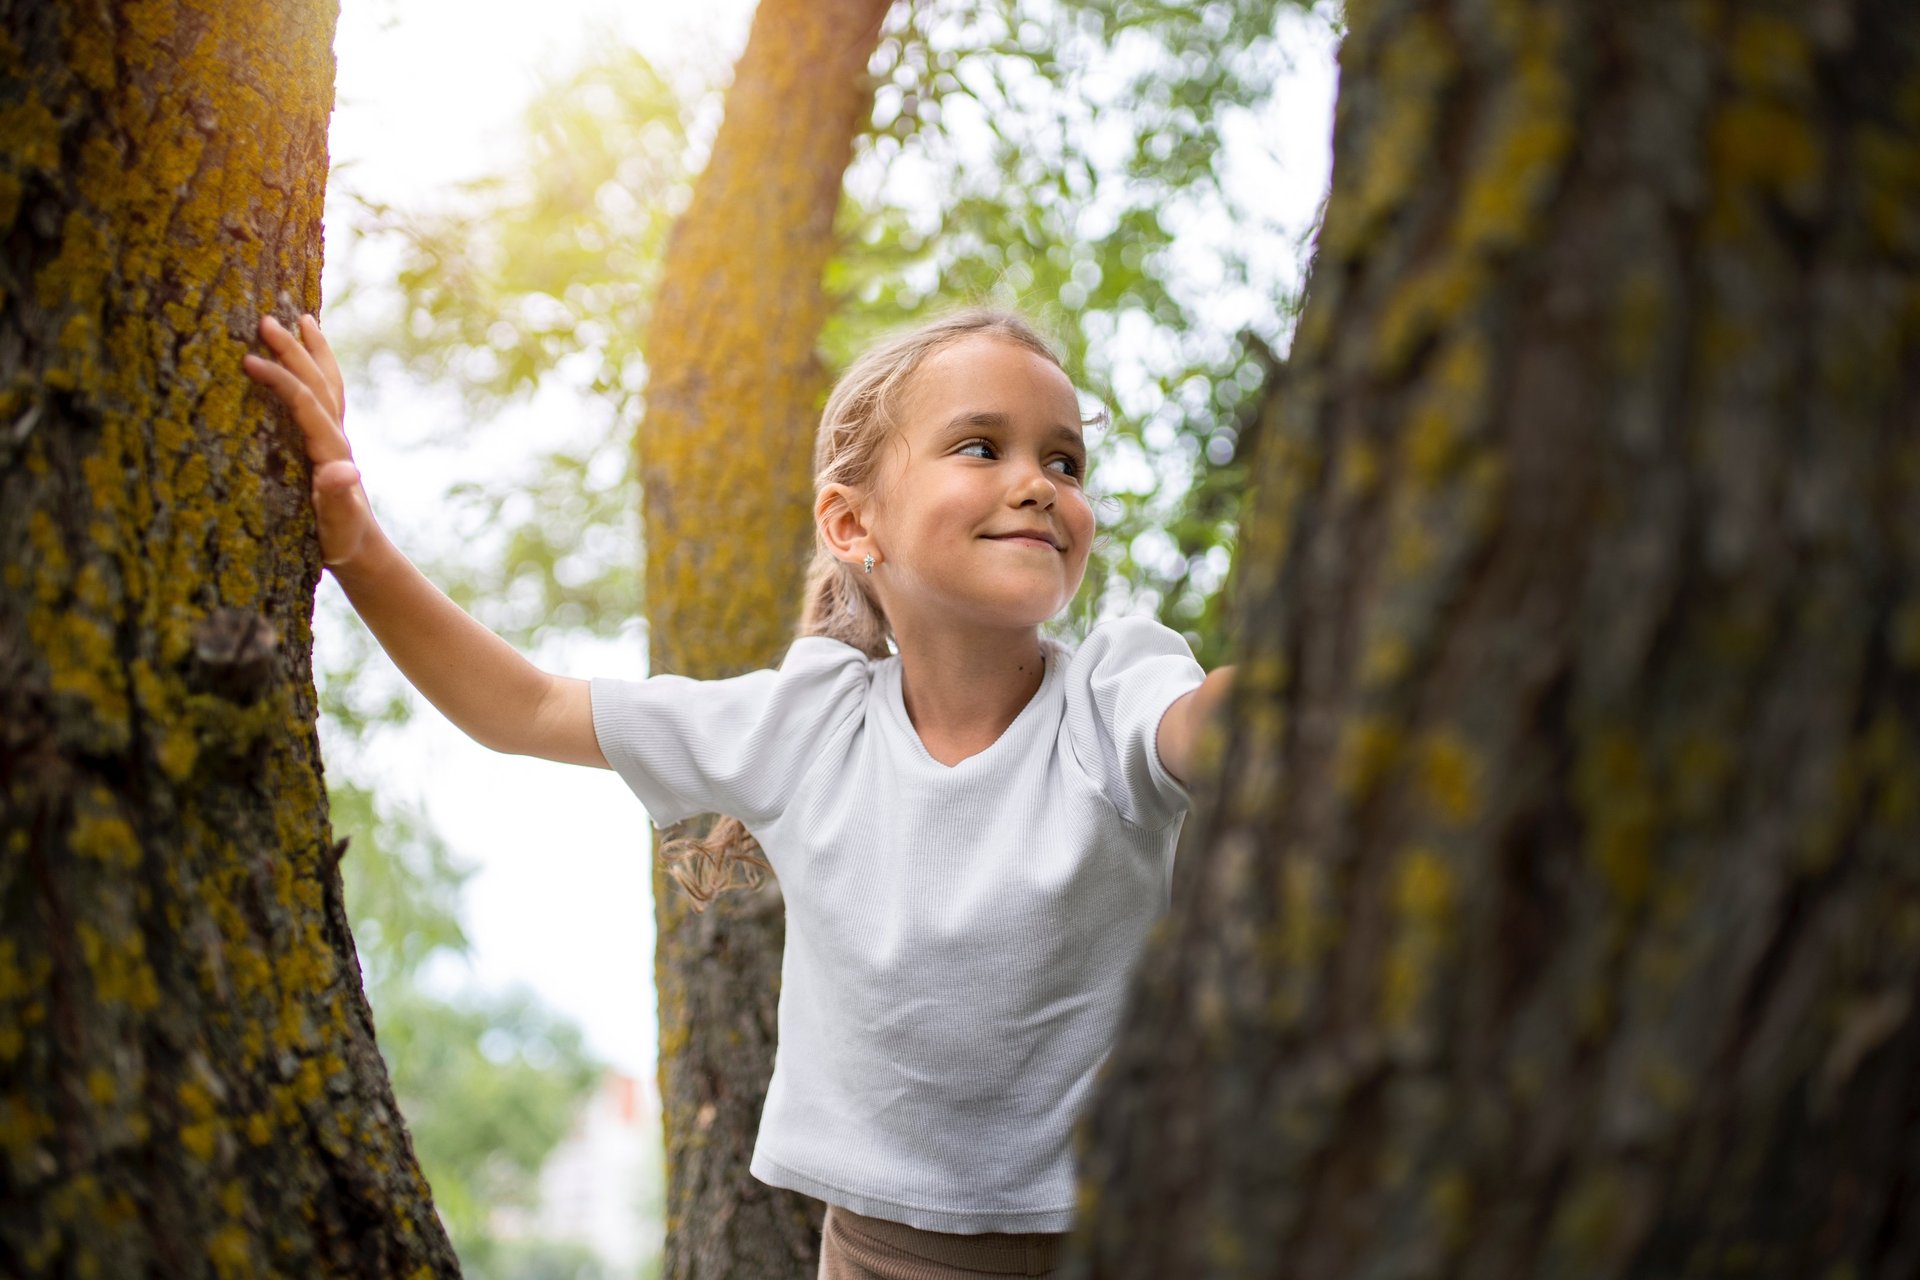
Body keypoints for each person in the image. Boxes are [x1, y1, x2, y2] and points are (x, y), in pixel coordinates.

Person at [244, 306, 1234, 1279]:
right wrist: (355, 540)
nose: (1037, 484)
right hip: (883, 1256)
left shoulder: (1114, 689)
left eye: (1066, 462)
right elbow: (525, 704)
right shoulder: (808, 727)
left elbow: (1213, 728)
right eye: (982, 446)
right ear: (854, 521)